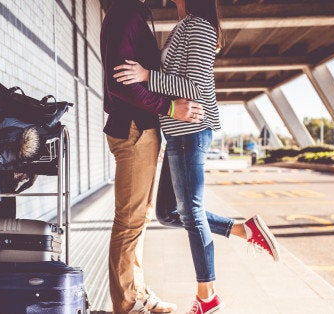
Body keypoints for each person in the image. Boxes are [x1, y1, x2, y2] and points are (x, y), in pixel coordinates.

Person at [112, 0, 281, 313]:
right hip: (177, 132)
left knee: (190, 210)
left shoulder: (200, 27)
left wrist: (147, 76)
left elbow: (198, 87)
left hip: (191, 130)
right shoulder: (187, 24)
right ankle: (246, 230)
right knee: (168, 213)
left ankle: (208, 296)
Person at [100, 0, 209, 313]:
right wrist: (172, 108)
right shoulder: (125, 14)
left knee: (140, 218)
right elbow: (120, 84)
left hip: (141, 128)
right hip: (134, 128)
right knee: (130, 219)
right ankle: (127, 303)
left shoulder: (130, 14)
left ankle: (138, 292)